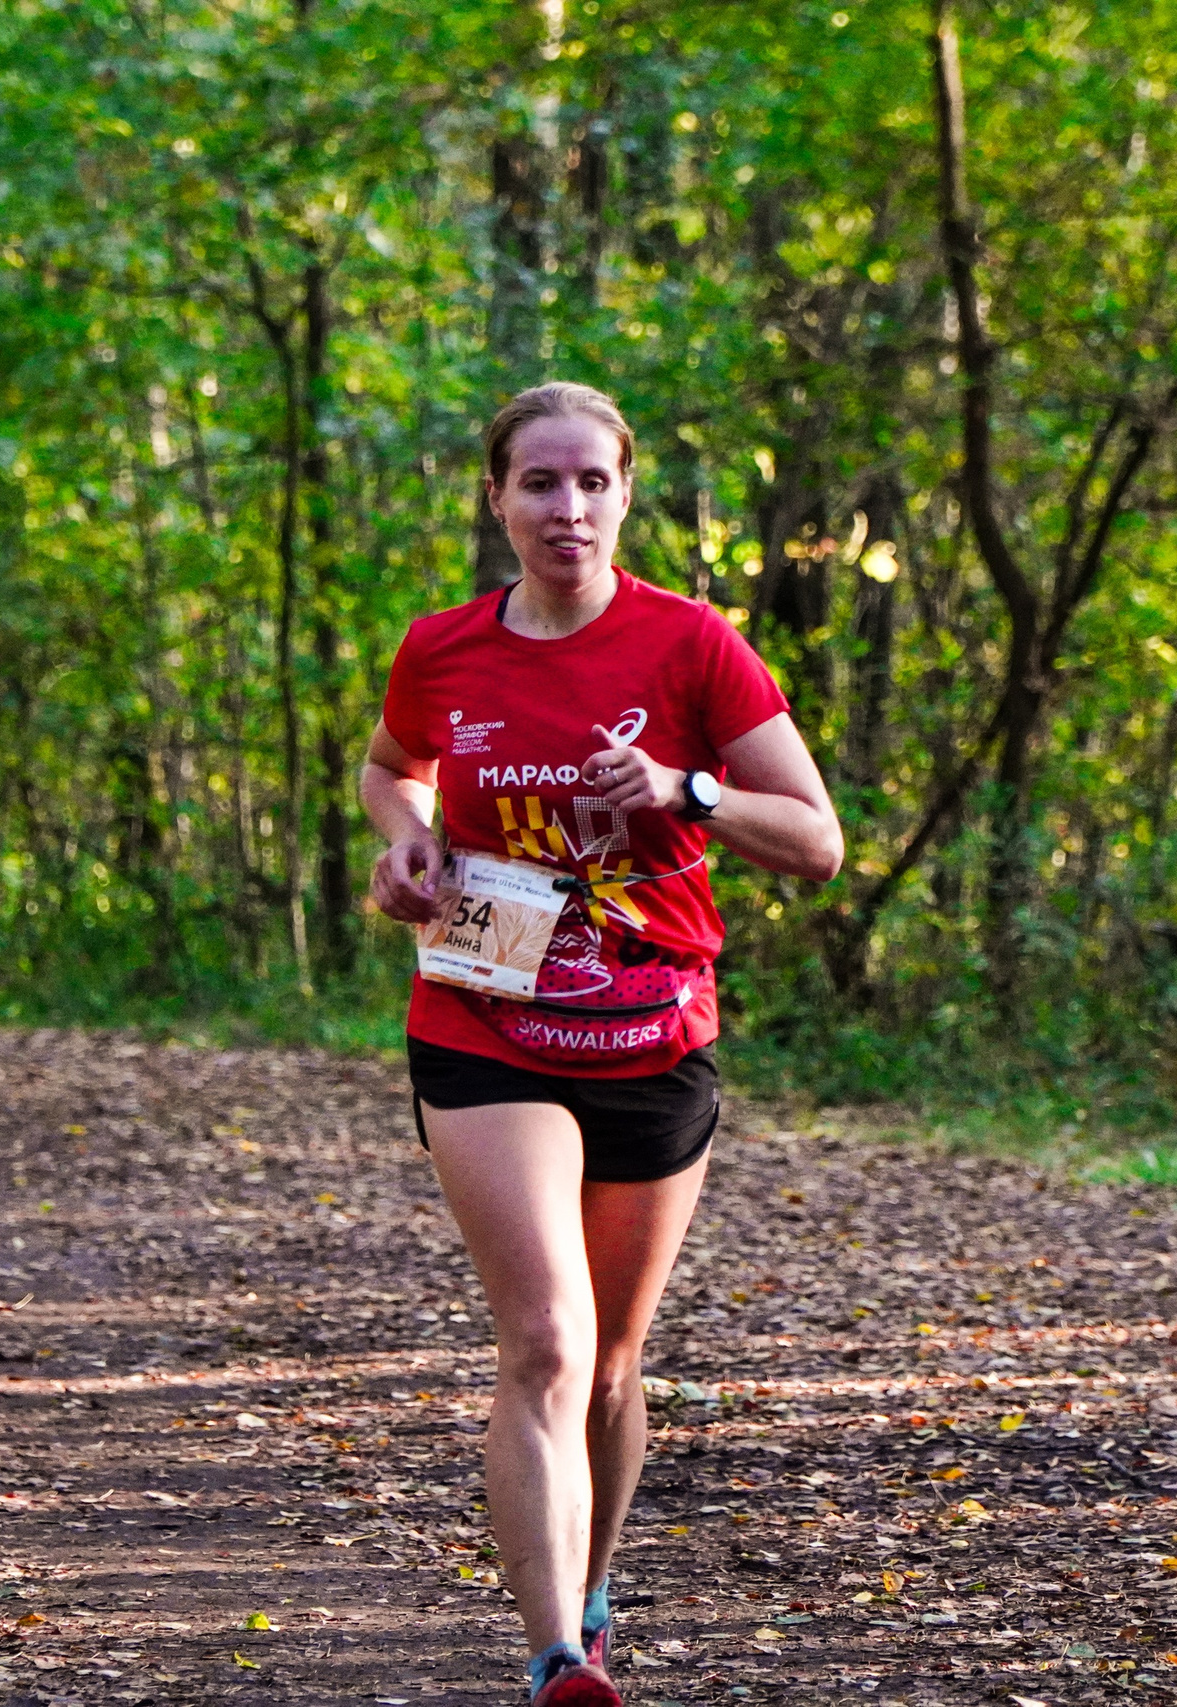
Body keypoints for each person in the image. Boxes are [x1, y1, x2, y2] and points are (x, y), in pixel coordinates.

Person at [360, 383, 843, 1707]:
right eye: (538, 482)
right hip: (482, 1017)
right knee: (547, 1341)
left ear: (625, 495)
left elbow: (817, 839)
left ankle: (589, 1587)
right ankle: (555, 1660)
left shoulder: (692, 648)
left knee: (617, 1363)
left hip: (653, 1031)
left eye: (590, 482)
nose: (565, 507)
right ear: (498, 498)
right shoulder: (446, 648)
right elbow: (393, 763)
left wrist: (690, 790)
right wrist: (407, 841)